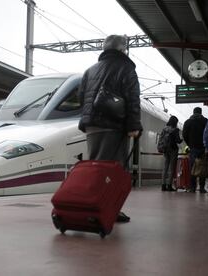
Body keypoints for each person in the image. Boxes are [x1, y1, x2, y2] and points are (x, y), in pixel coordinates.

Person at [78, 34, 143, 223]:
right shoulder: (126, 68)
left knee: (94, 167)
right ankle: (108, 209)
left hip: (92, 127)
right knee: (113, 169)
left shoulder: (90, 70)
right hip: (114, 126)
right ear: (123, 50)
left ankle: (92, 204)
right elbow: (133, 99)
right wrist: (133, 126)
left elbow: (82, 97)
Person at [182, 107, 208, 193]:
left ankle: (192, 187)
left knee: (192, 167)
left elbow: (184, 135)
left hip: (193, 148)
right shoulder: (205, 121)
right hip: (203, 148)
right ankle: (201, 187)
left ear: (193, 112)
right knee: (202, 167)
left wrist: (189, 143)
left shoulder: (188, 122)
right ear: (201, 112)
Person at [161, 115, 183, 192]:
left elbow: (161, 139)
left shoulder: (164, 129)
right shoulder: (175, 130)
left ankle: (163, 185)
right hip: (173, 150)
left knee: (165, 167)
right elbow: (178, 141)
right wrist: (181, 139)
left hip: (165, 149)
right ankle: (169, 185)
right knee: (171, 168)